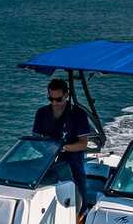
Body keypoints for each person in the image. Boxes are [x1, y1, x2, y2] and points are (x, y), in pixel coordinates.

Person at [32, 78, 92, 211]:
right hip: (48, 156)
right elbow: (35, 140)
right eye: (51, 99)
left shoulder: (78, 114)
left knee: (77, 176)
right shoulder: (41, 112)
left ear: (66, 95)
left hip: (72, 157)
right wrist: (46, 149)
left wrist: (62, 148)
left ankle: (82, 211)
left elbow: (83, 144)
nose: (54, 103)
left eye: (58, 99)